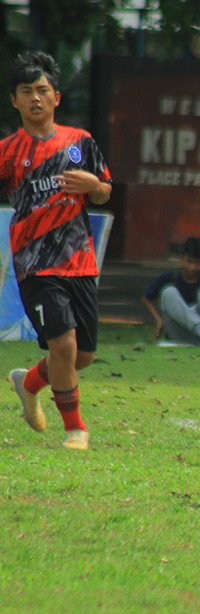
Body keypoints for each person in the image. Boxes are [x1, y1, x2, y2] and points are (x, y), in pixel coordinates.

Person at [3, 52, 112, 451]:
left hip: (79, 260)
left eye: (42, 90)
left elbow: (104, 191)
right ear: (14, 100)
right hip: (34, 264)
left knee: (80, 357)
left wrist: (92, 186)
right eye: (26, 91)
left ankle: (28, 382)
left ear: (56, 97)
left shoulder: (80, 142)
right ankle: (75, 429)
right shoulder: (8, 152)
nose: (35, 98)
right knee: (62, 345)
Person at [141, 236, 200, 347]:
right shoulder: (169, 278)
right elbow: (146, 298)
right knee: (168, 292)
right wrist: (159, 320)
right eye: (189, 261)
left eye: (198, 263)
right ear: (181, 258)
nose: (193, 267)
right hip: (178, 332)